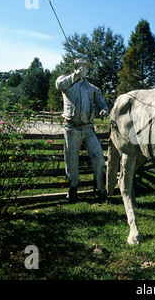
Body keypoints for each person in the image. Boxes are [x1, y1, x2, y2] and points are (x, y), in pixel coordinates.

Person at [56, 59, 109, 202]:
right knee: (71, 160)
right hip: (71, 128)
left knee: (99, 157)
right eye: (80, 67)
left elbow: (102, 103)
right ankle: (73, 189)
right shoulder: (66, 82)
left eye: (85, 67)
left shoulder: (92, 88)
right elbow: (58, 85)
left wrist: (104, 110)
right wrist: (74, 76)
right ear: (75, 68)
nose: (83, 69)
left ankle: (101, 189)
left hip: (88, 129)